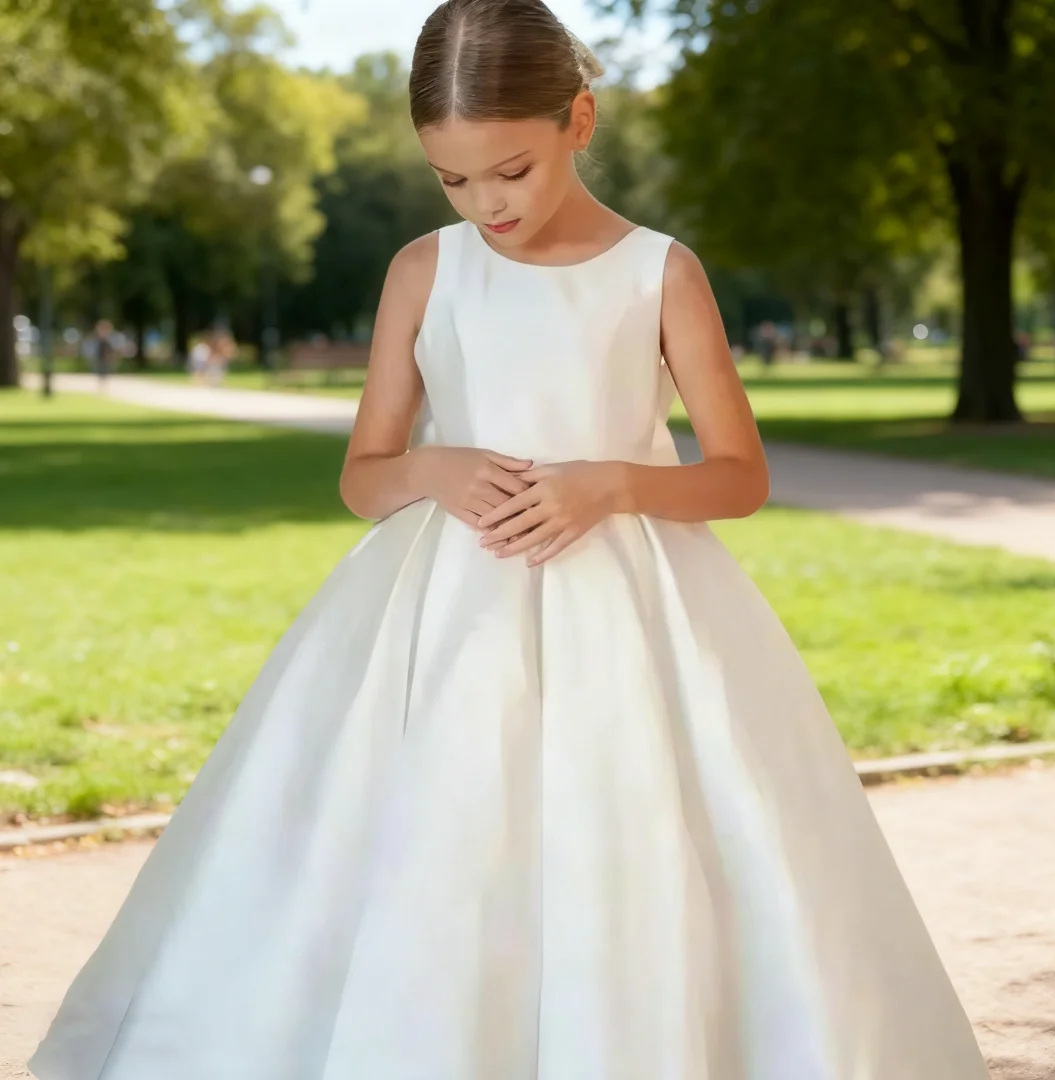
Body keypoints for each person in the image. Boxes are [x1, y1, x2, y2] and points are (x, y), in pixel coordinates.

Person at [29, 2, 992, 1077]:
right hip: (448, 620)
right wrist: (432, 468)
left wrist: (612, 484)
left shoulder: (660, 273)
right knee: (440, 845)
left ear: (579, 120)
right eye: (453, 179)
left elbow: (741, 476)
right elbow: (363, 476)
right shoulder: (423, 271)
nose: (488, 202)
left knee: (629, 843)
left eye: (512, 171)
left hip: (630, 616)